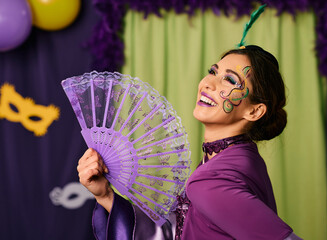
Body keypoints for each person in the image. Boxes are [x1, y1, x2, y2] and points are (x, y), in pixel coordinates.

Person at [77, 45, 303, 239]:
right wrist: (105, 194)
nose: (208, 83)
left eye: (230, 79)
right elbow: (183, 232)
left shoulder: (211, 180)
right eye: (213, 71)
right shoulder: (238, 157)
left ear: (254, 111)